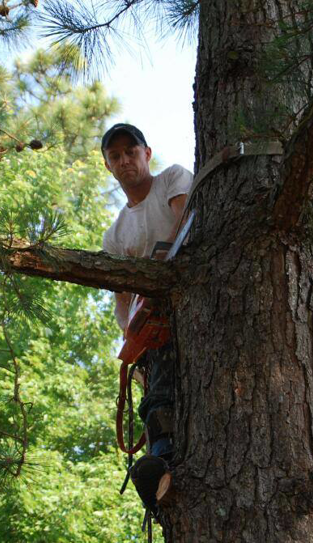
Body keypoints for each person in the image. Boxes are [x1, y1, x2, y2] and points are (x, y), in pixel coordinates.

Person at [101, 123, 192, 513]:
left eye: (130, 151)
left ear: (147, 153)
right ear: (108, 165)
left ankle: (164, 456)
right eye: (115, 156)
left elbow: (185, 228)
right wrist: (131, 347)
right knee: (156, 390)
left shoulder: (172, 179)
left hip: (191, 300)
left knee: (171, 384)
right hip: (152, 327)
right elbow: (122, 302)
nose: (125, 160)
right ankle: (159, 464)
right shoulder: (115, 235)